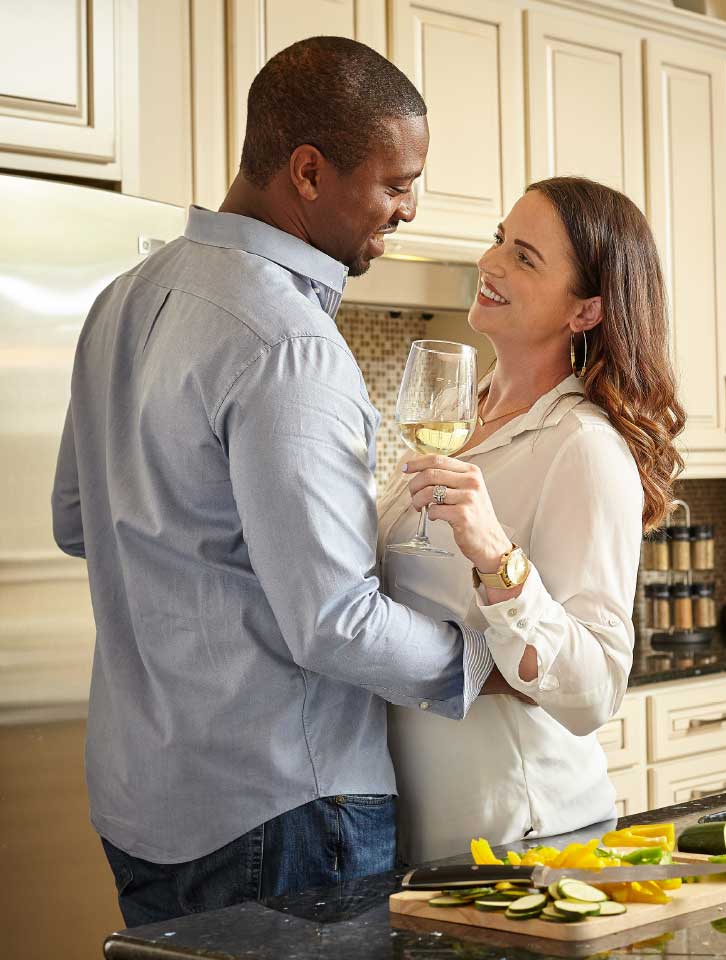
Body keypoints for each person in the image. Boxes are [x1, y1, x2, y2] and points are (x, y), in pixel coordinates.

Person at [50, 36, 498, 927]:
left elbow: (75, 521)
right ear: (307, 171)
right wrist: (486, 659)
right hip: (281, 810)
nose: (408, 208)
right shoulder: (288, 342)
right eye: (397, 183)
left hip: (141, 800)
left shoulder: (122, 300)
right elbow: (334, 623)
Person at [377, 176, 686, 863]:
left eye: (525, 258)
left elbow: (596, 689)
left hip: (525, 837)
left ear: (584, 312)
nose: (490, 264)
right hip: (430, 838)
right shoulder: (459, 417)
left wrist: (496, 557)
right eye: (498, 241)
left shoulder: (582, 448)